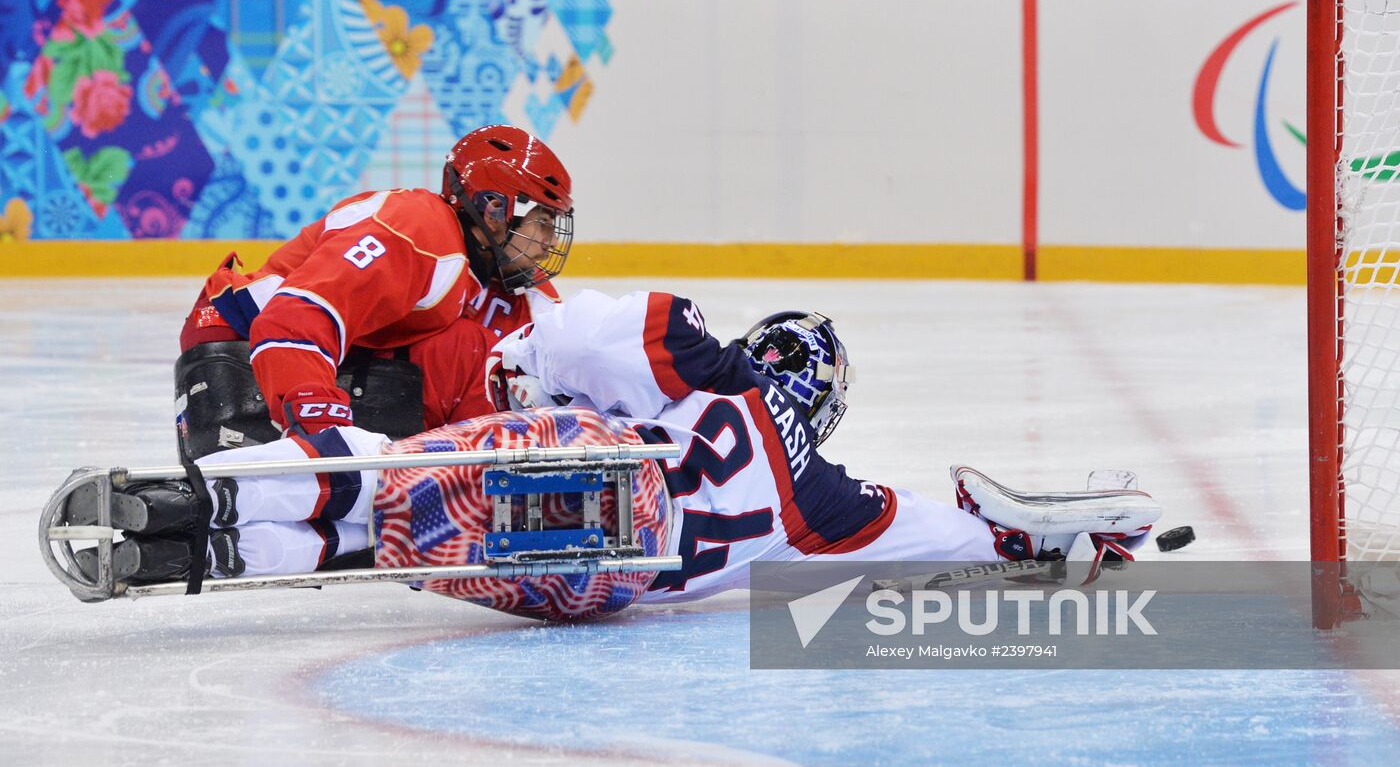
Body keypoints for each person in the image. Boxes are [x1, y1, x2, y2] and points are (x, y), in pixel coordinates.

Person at [71, 293, 1160, 620]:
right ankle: (228, 545)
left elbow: (593, 331)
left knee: (384, 487)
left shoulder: (704, 366)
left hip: (580, 464)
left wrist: (515, 368)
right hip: (594, 583)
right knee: (397, 545)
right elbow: (948, 533)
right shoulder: (823, 500)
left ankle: (181, 512)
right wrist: (1041, 549)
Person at [175, 124, 573, 447]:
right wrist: (320, 420)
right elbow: (292, 318)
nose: (551, 242)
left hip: (289, 356)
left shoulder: (484, 268)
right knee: (468, 352)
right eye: (542, 222)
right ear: (495, 209)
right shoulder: (419, 230)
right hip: (240, 350)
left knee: (497, 354)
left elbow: (550, 340)